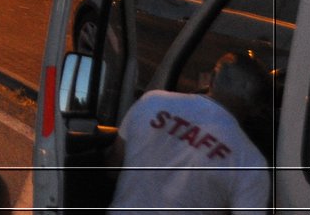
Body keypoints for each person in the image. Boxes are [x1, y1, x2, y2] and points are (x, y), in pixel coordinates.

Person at [108, 52, 271, 214]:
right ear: (257, 108)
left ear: (212, 78)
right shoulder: (250, 163)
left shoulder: (151, 102)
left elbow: (114, 165)